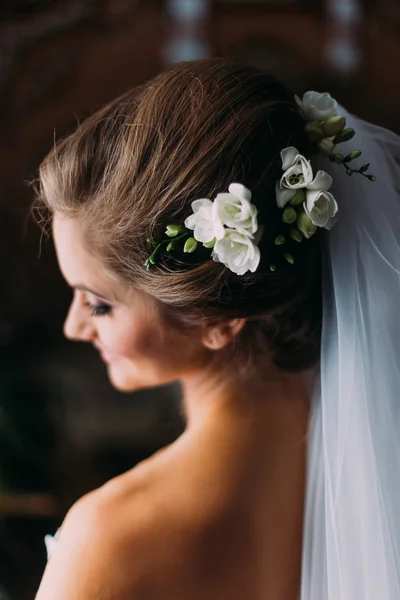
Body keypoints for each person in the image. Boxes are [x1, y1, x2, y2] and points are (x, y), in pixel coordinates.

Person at [34, 58, 400, 600]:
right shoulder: (373, 461)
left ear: (218, 322)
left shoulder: (111, 536)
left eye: (100, 304)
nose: (73, 326)